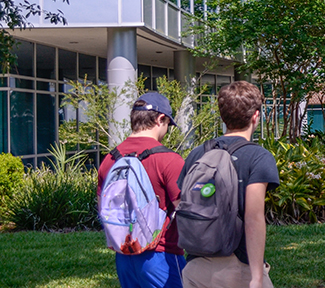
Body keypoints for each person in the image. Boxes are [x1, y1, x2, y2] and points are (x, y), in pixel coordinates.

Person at [179, 81, 280, 288]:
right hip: (238, 268)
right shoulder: (258, 157)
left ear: (222, 117)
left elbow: (179, 203)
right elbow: (253, 218)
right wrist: (256, 277)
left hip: (195, 266)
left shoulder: (197, 154)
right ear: (255, 116)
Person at [97, 92, 186, 288]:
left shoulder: (110, 160)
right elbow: (187, 211)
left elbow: (103, 207)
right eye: (167, 125)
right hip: (162, 256)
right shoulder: (169, 160)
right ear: (160, 119)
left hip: (124, 257)